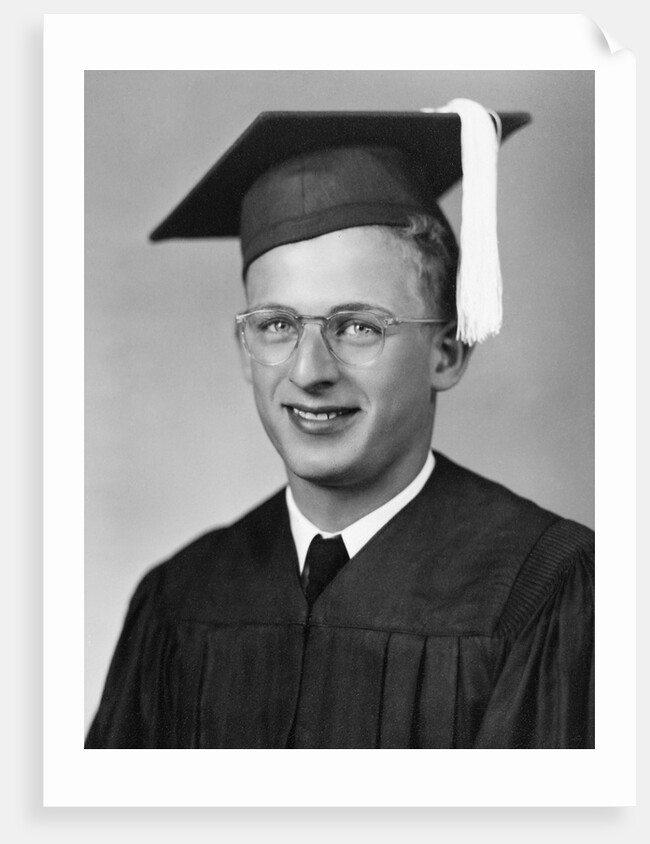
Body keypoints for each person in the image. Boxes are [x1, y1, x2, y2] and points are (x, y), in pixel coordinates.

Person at [85, 100, 594, 749]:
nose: (309, 369)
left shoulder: (546, 591)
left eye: (358, 327)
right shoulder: (179, 598)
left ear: (448, 352)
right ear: (245, 351)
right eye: (276, 325)